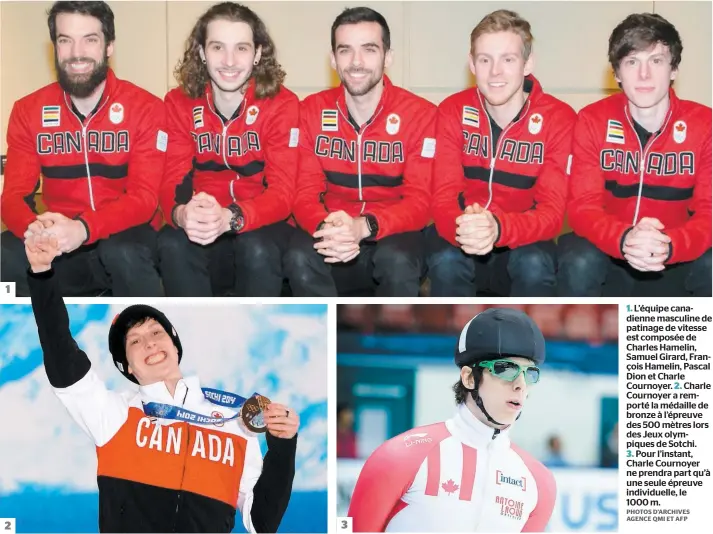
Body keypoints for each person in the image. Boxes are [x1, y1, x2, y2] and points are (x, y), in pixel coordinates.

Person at [25, 233, 300, 533]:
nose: (150, 344)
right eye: (135, 341)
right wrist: (42, 275)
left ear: (175, 346)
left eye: (157, 333)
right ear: (127, 366)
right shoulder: (114, 415)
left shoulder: (234, 423)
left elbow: (262, 521)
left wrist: (283, 446)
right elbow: (62, 359)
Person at [1, 1, 165, 297]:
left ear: (109, 46)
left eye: (90, 39)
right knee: (6, 252)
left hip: (126, 238)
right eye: (66, 40)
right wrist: (34, 229)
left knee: (123, 250)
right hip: (61, 241)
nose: (77, 53)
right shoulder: (28, 111)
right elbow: (12, 196)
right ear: (55, 47)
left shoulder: (146, 108)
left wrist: (84, 228)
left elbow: (144, 199)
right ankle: (26, 337)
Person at [348, 308, 556, 532]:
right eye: (505, 369)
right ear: (468, 377)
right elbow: (348, 528)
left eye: (530, 373)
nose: (520, 384)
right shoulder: (399, 457)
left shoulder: (539, 483)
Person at [285, 7, 436, 297]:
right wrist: (328, 227)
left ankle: (389, 340)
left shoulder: (421, 115)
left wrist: (364, 226)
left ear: (387, 56)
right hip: (330, 229)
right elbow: (303, 192)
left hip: (390, 234)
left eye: (369, 49)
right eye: (345, 51)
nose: (356, 62)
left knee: (398, 259)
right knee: (298, 256)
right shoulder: (311, 111)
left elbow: (420, 202)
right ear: (332, 59)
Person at [558, 13, 712, 297]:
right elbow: (582, 207)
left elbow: (709, 212)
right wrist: (625, 237)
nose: (644, 75)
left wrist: (671, 244)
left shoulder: (705, 124)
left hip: (677, 255)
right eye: (632, 62)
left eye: (656, 61)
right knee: (576, 258)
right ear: (616, 73)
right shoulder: (592, 120)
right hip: (611, 252)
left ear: (674, 69)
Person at [427, 10, 576, 297]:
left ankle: (533, 339)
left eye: (508, 59)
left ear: (527, 63)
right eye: (485, 60)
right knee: (445, 261)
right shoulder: (452, 111)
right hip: (462, 229)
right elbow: (442, 196)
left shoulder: (559, 119)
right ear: (472, 64)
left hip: (525, 237)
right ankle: (451, 340)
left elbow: (553, 212)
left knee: (534, 263)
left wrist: (498, 227)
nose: (495, 72)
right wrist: (467, 226)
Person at [157, 2, 299, 297]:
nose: (230, 61)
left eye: (242, 48)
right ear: (201, 52)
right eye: (218, 47)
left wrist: (232, 217)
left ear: (258, 53)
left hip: (263, 224)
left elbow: (283, 194)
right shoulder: (178, 103)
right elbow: (170, 181)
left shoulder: (282, 105)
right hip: (204, 219)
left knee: (255, 245)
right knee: (172, 242)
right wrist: (182, 213)